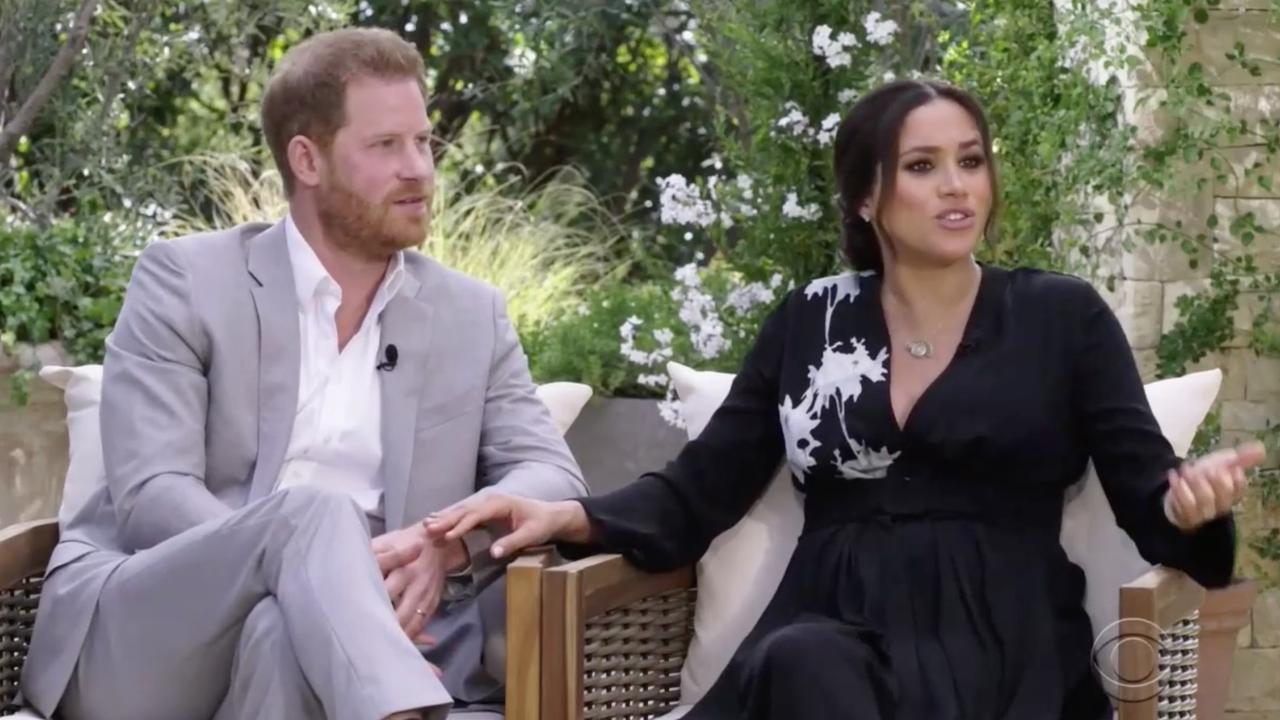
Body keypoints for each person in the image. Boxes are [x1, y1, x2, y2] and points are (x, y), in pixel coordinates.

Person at [425, 79, 1264, 720]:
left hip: (1005, 641)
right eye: (924, 167)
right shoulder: (811, 321)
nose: (957, 188)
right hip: (837, 625)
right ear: (868, 197)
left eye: (971, 162)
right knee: (802, 665)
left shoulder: (1061, 316)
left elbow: (1149, 492)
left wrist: (1192, 508)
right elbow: (701, 487)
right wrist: (571, 518)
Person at [19, 27, 586, 720]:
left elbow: (550, 474)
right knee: (313, 519)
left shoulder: (470, 314)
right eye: (385, 146)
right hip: (149, 642)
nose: (419, 169)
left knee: (283, 636)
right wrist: (321, 572)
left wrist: (448, 544)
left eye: (424, 142)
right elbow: (152, 496)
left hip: (327, 651)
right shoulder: (186, 280)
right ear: (307, 160)